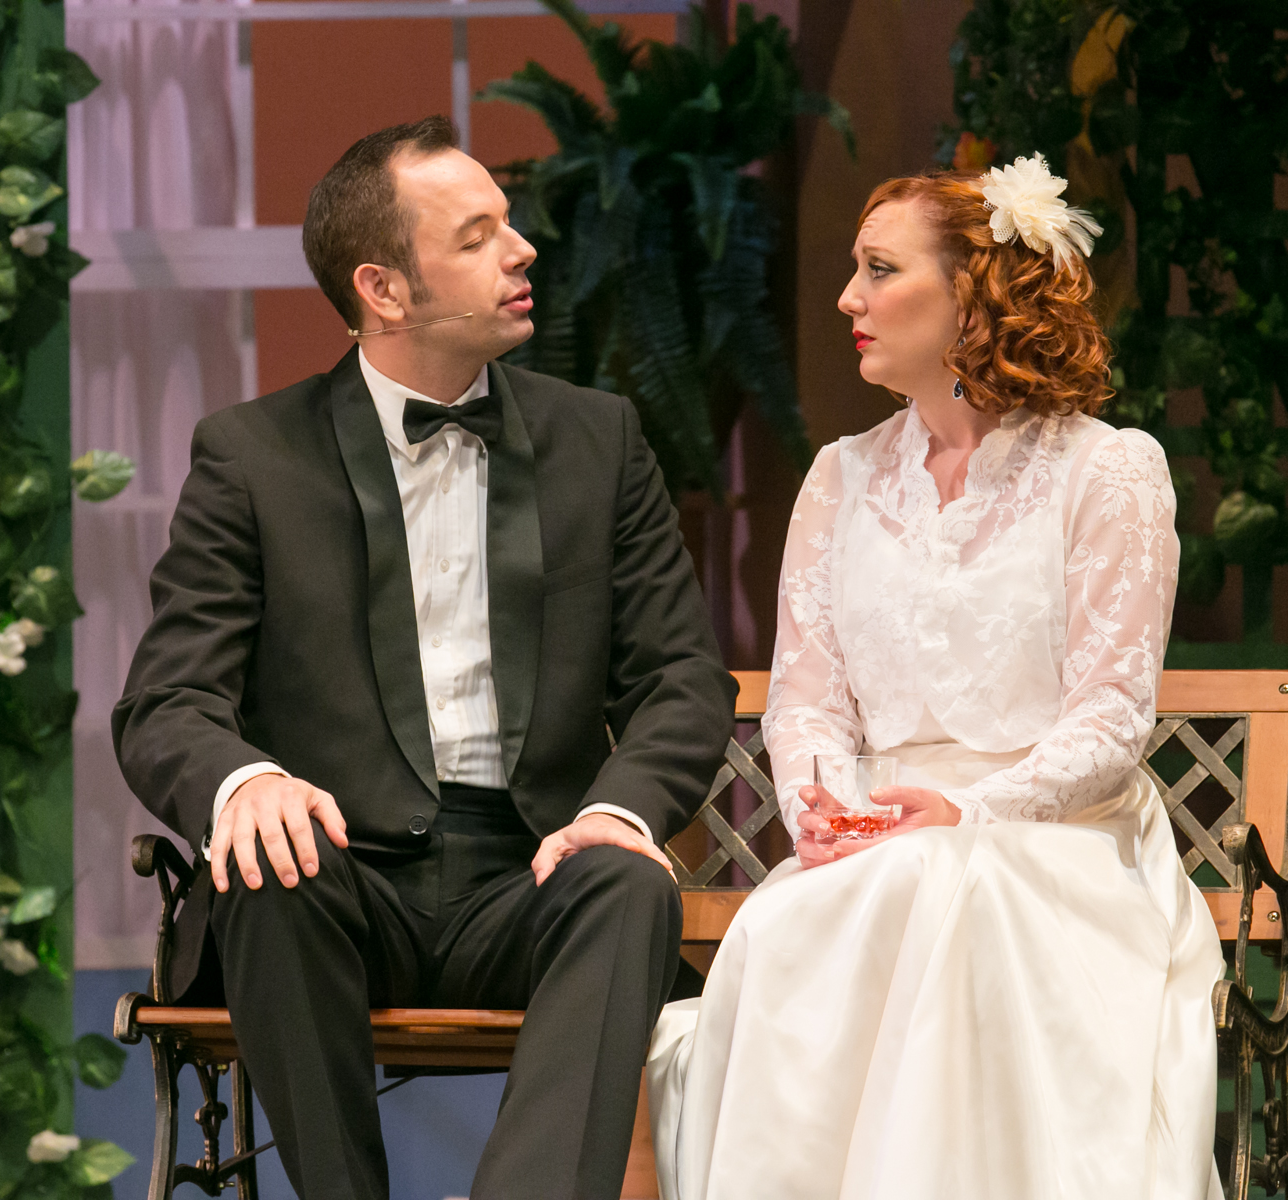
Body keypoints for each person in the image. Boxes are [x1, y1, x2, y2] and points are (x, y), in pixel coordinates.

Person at [113, 115, 737, 1200]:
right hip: (338, 875)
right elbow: (166, 701)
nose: (523, 250)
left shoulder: (600, 441)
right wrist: (244, 781)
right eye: (478, 235)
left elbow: (681, 679)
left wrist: (618, 810)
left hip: (530, 872)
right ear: (385, 289)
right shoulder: (253, 457)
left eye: (509, 225)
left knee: (626, 885)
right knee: (268, 870)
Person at [647, 156, 1226, 1200]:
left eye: (879, 270)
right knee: (798, 918)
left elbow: (1110, 717)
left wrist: (968, 811)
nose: (847, 298)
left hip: (1056, 842)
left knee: (946, 891)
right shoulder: (840, 477)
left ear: (972, 294)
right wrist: (830, 809)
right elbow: (808, 702)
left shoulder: (1107, 470)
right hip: (877, 841)